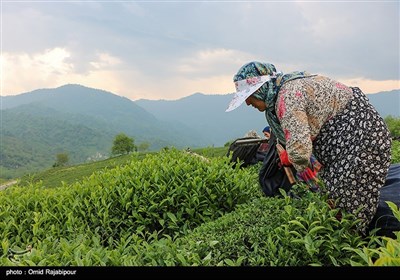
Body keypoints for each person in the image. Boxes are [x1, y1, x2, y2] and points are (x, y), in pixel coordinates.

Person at [225, 61, 392, 235]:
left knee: (348, 204)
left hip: (361, 138)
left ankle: (356, 247)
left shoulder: (288, 97)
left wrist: (288, 157)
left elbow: (299, 151)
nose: (247, 103)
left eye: (248, 96)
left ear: (259, 89)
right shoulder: (280, 96)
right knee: (334, 195)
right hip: (343, 145)